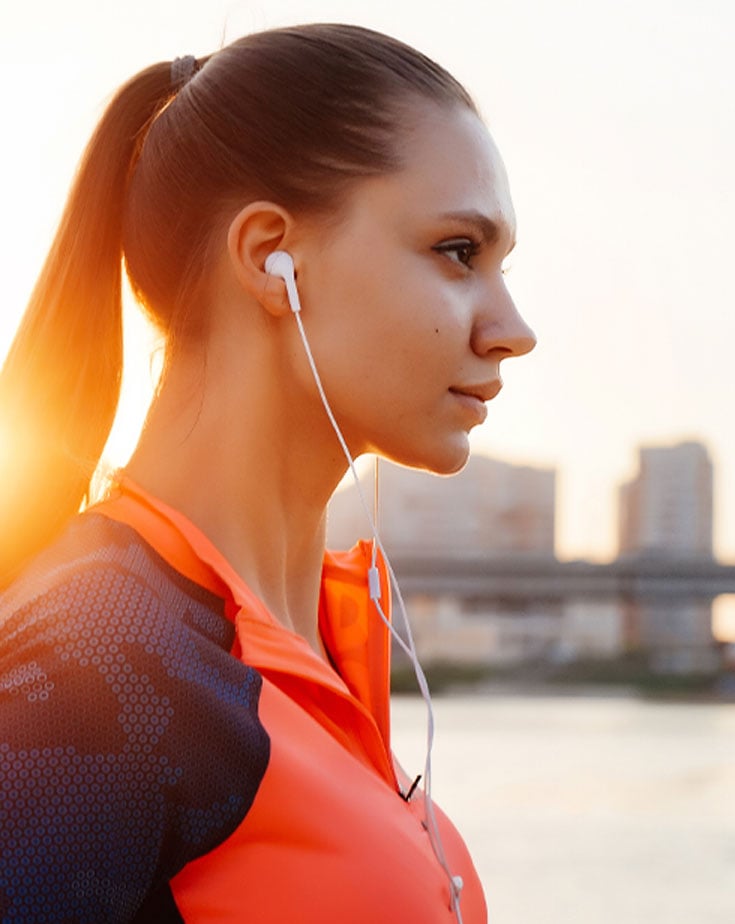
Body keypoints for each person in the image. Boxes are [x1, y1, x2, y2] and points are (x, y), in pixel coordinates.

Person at [0, 22, 536, 924]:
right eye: (457, 252)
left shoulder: (312, 647)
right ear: (268, 258)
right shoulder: (98, 663)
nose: (513, 327)